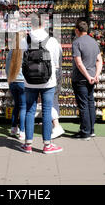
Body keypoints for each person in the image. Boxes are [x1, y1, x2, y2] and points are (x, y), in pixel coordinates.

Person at [20, 14, 63, 154]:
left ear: (30, 25)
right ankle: (47, 145)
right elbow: (56, 64)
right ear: (43, 24)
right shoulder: (52, 41)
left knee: (30, 111)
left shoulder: (24, 41)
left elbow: (21, 60)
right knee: (46, 112)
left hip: (29, 81)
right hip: (48, 82)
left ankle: (27, 144)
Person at [71, 19, 102, 140]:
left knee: (83, 105)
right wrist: (96, 75)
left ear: (77, 30)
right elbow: (99, 60)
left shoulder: (77, 42)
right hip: (92, 77)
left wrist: (87, 76)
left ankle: (85, 132)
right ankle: (91, 129)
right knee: (90, 103)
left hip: (81, 79)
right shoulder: (94, 42)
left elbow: (79, 63)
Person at [6, 32, 26, 140]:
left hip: (12, 81)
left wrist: (9, 80)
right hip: (22, 82)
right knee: (23, 107)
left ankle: (13, 128)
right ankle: (22, 131)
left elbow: (7, 68)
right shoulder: (24, 51)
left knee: (16, 105)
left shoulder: (11, 51)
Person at [51, 50, 65, 139]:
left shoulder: (46, 43)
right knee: (54, 100)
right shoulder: (57, 43)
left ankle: (56, 125)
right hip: (57, 72)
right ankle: (55, 125)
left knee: (50, 101)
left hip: (51, 73)